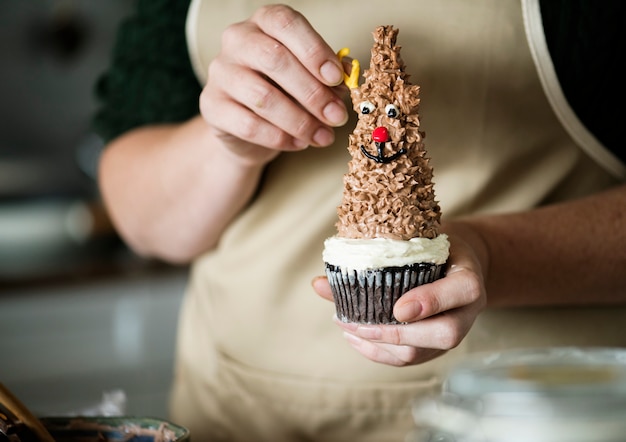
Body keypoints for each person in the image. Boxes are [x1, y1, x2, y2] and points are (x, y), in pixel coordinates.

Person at [94, 0, 626, 440]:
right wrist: (229, 145)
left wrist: (488, 251)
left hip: (517, 414)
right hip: (234, 416)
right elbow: (142, 220)